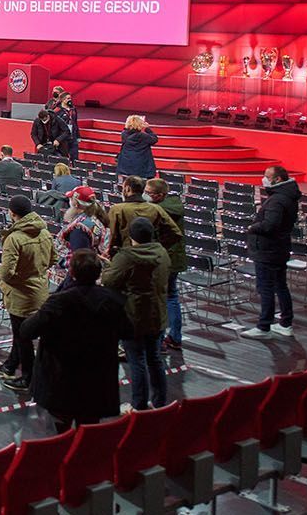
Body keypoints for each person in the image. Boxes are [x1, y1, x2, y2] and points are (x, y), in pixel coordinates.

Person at [21, 249, 130, 432]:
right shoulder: (113, 300)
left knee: (58, 437)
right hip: (97, 380)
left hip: (62, 381)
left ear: (71, 273)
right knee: (88, 438)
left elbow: (27, 330)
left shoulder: (58, 302)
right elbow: (129, 332)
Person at [101, 218, 170, 411]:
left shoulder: (127, 256)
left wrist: (110, 266)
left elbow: (109, 280)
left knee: (137, 360)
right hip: (157, 313)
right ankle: (159, 401)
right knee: (155, 359)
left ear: (130, 236)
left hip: (133, 316)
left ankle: (138, 404)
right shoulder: (162, 252)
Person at [0, 196, 53, 393]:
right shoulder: (44, 232)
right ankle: (11, 364)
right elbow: (54, 258)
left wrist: (5, 282)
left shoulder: (14, 238)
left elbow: (6, 272)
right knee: (19, 334)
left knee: (23, 337)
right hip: (40, 290)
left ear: (12, 213)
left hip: (20, 294)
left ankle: (28, 378)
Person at [243, 165, 299, 339]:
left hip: (268, 250)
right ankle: (285, 323)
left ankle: (264, 326)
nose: (264, 178)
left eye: (267, 176)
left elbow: (269, 225)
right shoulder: (286, 196)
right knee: (280, 286)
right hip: (278, 249)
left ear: (278, 179)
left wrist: (252, 227)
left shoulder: (277, 200)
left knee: (266, 288)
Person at [143, 178, 190, 349]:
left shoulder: (157, 211)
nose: (145, 195)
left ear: (160, 195)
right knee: (171, 297)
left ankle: (159, 339)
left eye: (148, 193)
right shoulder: (174, 204)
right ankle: (175, 337)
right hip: (174, 259)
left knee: (160, 300)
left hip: (163, 260)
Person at [115, 114, 158, 179]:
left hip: (126, 166)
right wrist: (147, 129)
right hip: (142, 167)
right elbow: (154, 139)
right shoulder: (142, 136)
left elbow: (127, 130)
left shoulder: (124, 134)